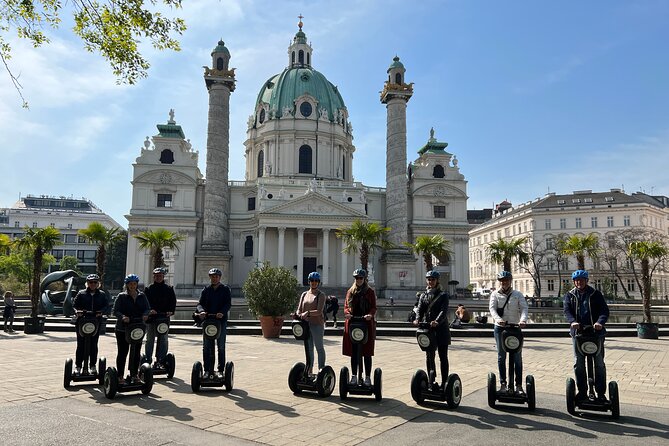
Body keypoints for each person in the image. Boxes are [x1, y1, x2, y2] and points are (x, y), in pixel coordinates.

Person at [563, 269, 610, 402]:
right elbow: (567, 311)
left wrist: (599, 322)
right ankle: (582, 391)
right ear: (574, 282)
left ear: (586, 281)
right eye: (577, 281)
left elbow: (604, 311)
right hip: (578, 334)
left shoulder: (595, 294)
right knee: (578, 363)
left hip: (596, 334)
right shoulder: (570, 295)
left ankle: (600, 393)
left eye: (582, 280)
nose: (579, 283)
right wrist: (572, 322)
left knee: (599, 363)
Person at [489, 271, 529, 395]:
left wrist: (523, 320)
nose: (504, 282)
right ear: (499, 282)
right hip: (500, 328)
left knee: (517, 357)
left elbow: (524, 308)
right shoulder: (495, 294)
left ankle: (518, 386)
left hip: (515, 328)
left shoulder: (517, 294)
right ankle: (503, 384)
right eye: (502, 280)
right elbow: (492, 309)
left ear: (510, 281)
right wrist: (498, 320)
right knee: (501, 356)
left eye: (506, 280)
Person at [413, 270, 450, 389]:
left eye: (433, 279)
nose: (431, 282)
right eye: (429, 279)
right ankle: (431, 381)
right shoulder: (423, 295)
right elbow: (420, 309)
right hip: (429, 329)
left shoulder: (443, 295)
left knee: (442, 356)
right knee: (429, 356)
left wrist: (437, 321)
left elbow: (443, 311)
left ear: (437, 281)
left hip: (441, 329)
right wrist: (417, 319)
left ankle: (445, 382)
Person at [112, 274, 150, 384]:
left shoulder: (142, 296)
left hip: (137, 327)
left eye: (134, 284)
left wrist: (145, 314)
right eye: (130, 284)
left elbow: (147, 308)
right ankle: (120, 376)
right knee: (123, 352)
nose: (132, 286)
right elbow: (115, 311)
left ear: (137, 284)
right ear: (127, 285)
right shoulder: (121, 296)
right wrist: (123, 317)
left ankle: (134, 374)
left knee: (136, 352)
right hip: (123, 329)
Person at [343, 269, 377, 386]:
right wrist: (347, 313)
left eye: (361, 278)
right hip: (354, 323)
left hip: (366, 324)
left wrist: (370, 315)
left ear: (364, 279)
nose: (359, 280)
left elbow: (373, 307)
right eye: (357, 278)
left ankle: (367, 377)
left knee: (366, 352)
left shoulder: (370, 292)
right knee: (354, 351)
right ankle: (354, 375)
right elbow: (346, 306)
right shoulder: (350, 291)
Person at [196, 268, 232, 379]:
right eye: (212, 276)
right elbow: (199, 304)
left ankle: (220, 370)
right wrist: (201, 311)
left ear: (220, 277)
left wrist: (222, 312)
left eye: (216, 276)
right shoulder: (206, 290)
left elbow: (228, 304)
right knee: (206, 347)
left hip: (220, 321)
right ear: (210, 277)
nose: (214, 278)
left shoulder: (225, 289)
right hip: (208, 321)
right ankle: (207, 370)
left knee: (221, 346)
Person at [72, 274, 109, 374]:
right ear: (87, 283)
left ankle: (92, 365)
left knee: (93, 344)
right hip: (82, 321)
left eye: (95, 282)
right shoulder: (81, 293)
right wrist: (77, 311)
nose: (93, 284)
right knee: (81, 344)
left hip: (95, 321)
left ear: (98, 284)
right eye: (90, 282)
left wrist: (101, 311)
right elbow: (74, 305)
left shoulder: (102, 294)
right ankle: (78, 366)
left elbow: (106, 306)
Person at [144, 267, 177, 368]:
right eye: (156, 276)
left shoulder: (169, 289)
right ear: (153, 276)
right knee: (149, 339)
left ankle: (161, 360)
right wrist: (149, 310)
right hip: (152, 319)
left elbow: (173, 302)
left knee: (163, 339)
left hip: (163, 318)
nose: (158, 277)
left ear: (163, 276)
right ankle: (148, 359)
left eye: (160, 275)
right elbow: (145, 303)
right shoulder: (148, 289)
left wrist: (170, 311)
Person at [296, 271, 327, 375]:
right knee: (309, 348)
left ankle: (321, 370)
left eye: (316, 281)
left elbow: (319, 311)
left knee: (319, 347)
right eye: (312, 281)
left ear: (318, 282)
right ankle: (309, 369)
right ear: (309, 282)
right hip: (306, 325)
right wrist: (298, 314)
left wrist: (307, 313)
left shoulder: (321, 295)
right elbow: (299, 309)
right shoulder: (304, 294)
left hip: (317, 324)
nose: (314, 283)